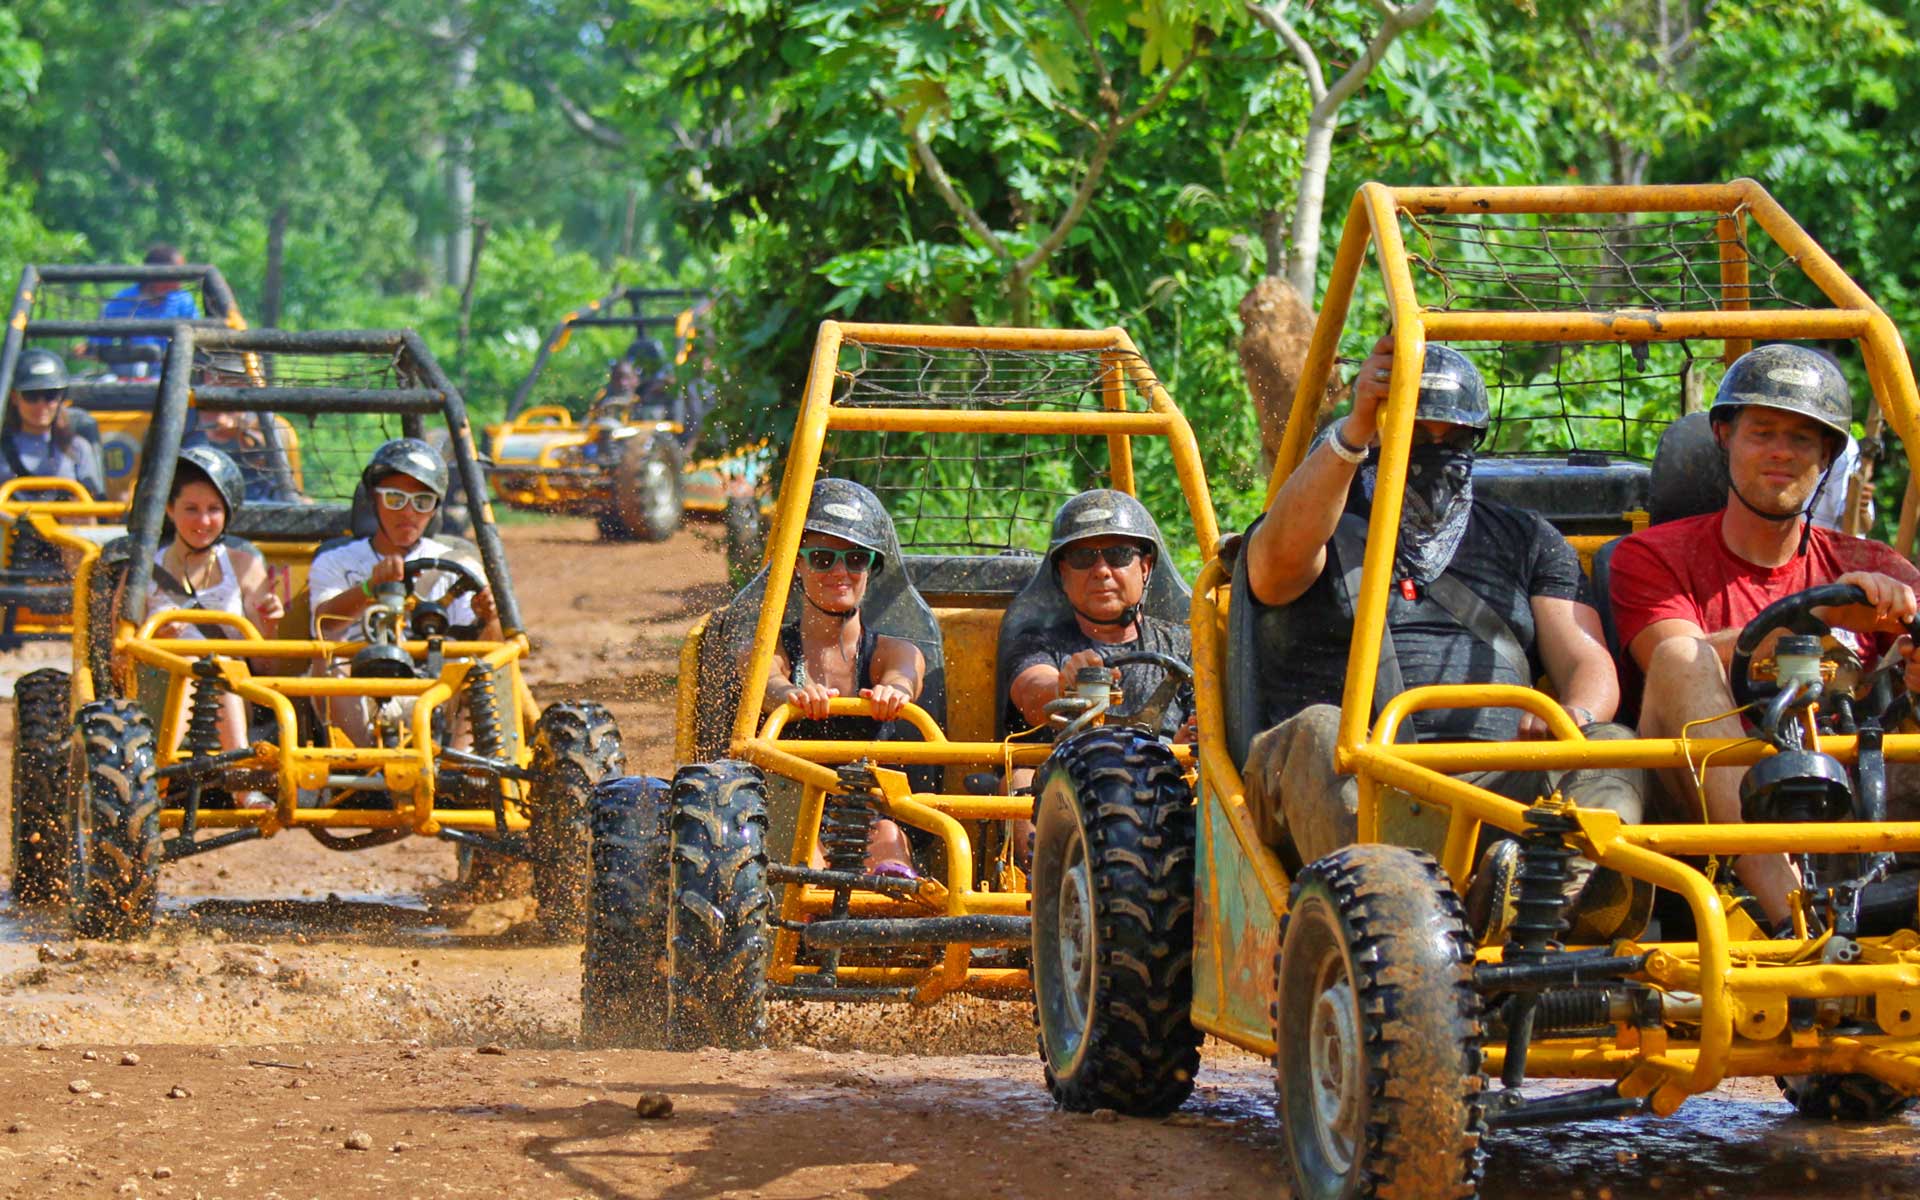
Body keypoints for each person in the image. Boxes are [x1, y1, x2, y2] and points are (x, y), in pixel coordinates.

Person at [1239, 336, 1646, 939]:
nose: (1430, 449)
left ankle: (1536, 903)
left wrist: (1574, 715)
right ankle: (1398, 921)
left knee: (1612, 745)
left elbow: (1587, 660)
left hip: (1494, 782)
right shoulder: (1323, 515)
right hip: (1351, 773)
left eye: (1448, 437)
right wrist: (1355, 428)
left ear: (1473, 440)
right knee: (1324, 729)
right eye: (1411, 430)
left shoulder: (1526, 538)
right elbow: (1274, 568)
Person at [1611, 343, 1920, 929]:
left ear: (1827, 455)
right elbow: (1669, 659)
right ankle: (1798, 924)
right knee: (1683, 655)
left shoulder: (1870, 563)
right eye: (1763, 432)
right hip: (1700, 798)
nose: (1781, 452)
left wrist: (1909, 658)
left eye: (1803, 439)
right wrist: (1817, 620)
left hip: (1854, 789)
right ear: (1725, 437)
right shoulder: (1650, 555)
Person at [760, 478, 924, 878]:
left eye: (855, 560)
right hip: (789, 812)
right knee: (803, 852)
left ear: (870, 567)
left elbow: (906, 674)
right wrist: (792, 695)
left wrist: (894, 692)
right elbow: (767, 682)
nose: (840, 572)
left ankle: (890, 931)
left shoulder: (892, 650)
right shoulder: (772, 647)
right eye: (822, 558)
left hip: (866, 812)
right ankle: (805, 931)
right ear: (797, 563)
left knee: (887, 837)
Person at [123, 447, 286, 808]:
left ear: (227, 514)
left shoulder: (244, 565)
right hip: (155, 683)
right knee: (205, 670)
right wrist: (153, 638)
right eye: (191, 509)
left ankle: (159, 782)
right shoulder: (142, 569)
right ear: (169, 510)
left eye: (214, 510)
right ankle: (234, 784)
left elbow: (266, 667)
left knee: (213, 671)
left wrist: (270, 626)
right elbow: (115, 652)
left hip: (229, 685)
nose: (204, 521)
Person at [308, 438, 500, 742]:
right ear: (374, 499)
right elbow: (324, 624)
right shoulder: (336, 560)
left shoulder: (458, 564)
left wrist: (488, 619)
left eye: (422, 502)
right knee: (328, 659)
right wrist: (370, 588)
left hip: (437, 691)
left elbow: (491, 652)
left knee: (484, 672)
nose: (408, 513)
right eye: (395, 499)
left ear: (435, 507)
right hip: (357, 687)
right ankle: (364, 773)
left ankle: (463, 775)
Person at [1005, 489, 1192, 740]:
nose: (1102, 570)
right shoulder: (1036, 645)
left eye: (1119, 555)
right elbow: (1032, 693)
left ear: (1145, 568)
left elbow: (1209, 722)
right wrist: (1064, 687)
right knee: (1019, 779)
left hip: (1166, 774)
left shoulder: (1185, 647)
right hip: (1063, 775)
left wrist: (1191, 743)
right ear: (1063, 573)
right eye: (1082, 557)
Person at [182, 350, 300, 502]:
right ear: (204, 375)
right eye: (218, 375)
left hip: (261, 509)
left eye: (234, 378)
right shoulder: (181, 419)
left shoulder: (271, 424)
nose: (225, 383)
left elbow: (287, 485)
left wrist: (245, 432)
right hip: (195, 506)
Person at [1, 349, 104, 499]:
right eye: (31, 396)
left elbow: (94, 513)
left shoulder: (78, 449)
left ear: (61, 397)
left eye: (50, 395)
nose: (41, 405)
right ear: (15, 398)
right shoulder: (2, 450)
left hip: (68, 522)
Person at [87, 244, 199, 377]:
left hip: (173, 376)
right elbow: (99, 344)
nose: (181, 280)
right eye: (176, 274)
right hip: (131, 376)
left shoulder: (183, 301)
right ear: (157, 274)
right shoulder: (123, 301)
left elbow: (197, 340)